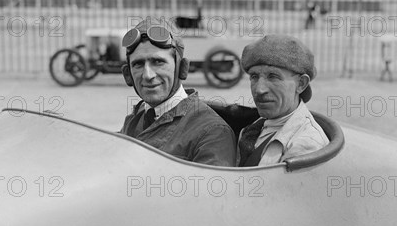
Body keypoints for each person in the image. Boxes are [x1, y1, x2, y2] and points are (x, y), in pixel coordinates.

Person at [119, 18, 236, 166]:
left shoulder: (212, 132)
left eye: (158, 62)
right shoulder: (134, 120)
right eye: (138, 64)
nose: (148, 75)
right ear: (127, 74)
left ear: (181, 68)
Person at [238, 35, 328, 167]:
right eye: (254, 76)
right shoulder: (255, 127)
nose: (259, 89)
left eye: (273, 76)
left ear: (301, 84)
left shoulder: (307, 143)